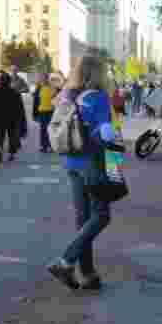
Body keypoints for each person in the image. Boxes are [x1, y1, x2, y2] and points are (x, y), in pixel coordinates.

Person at [47, 54, 117, 292]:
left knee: (83, 218)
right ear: (98, 73)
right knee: (102, 215)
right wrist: (114, 167)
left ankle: (87, 274)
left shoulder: (66, 95)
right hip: (92, 161)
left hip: (71, 161)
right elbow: (105, 135)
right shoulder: (98, 97)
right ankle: (66, 262)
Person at [0, 71, 25, 163]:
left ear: (0, 81)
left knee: (0, 136)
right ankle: (11, 154)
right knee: (12, 136)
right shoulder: (15, 92)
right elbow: (19, 107)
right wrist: (20, 118)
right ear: (9, 82)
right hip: (12, 118)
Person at [33, 72, 57, 153]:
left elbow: (56, 97)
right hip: (42, 111)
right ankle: (43, 146)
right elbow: (36, 101)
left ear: (47, 78)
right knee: (43, 129)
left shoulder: (52, 87)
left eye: (44, 77)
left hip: (51, 111)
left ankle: (50, 146)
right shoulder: (39, 87)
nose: (43, 79)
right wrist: (34, 114)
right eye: (41, 78)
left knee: (50, 129)